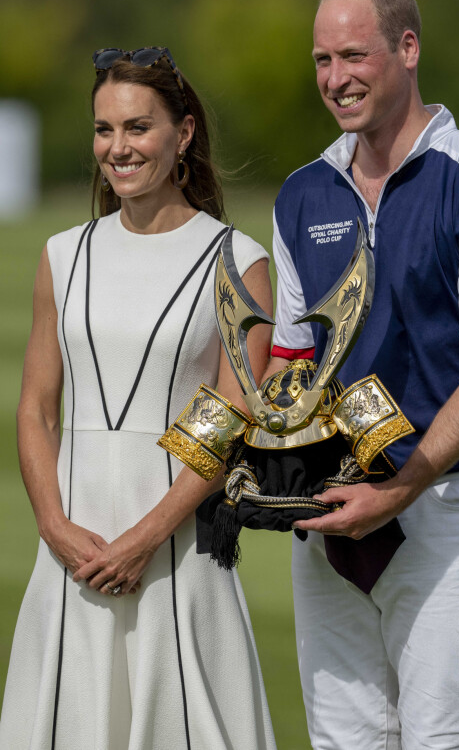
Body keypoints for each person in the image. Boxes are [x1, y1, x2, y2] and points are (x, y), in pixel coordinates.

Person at [267, 0, 459, 750]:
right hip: (332, 518)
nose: (334, 77)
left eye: (354, 53)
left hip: (443, 507)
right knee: (344, 742)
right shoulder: (302, 193)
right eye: (321, 58)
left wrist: (399, 486)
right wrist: (266, 467)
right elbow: (294, 361)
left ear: (408, 49)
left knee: (443, 742)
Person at [0, 47, 276, 750]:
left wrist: (146, 539)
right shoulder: (62, 254)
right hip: (73, 552)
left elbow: (232, 420)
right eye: (103, 130)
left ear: (182, 134)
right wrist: (55, 527)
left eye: (136, 128)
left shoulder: (239, 261)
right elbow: (36, 408)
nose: (117, 148)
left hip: (177, 550)